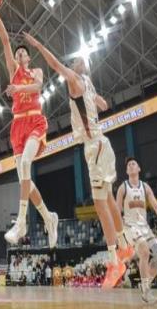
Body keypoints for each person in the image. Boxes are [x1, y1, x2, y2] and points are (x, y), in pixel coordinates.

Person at [24, 33, 133, 289]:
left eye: (76, 62)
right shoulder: (88, 83)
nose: (74, 63)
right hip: (102, 143)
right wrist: (98, 102)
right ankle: (125, 244)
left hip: (94, 146)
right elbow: (102, 103)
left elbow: (54, 64)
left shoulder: (75, 80)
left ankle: (114, 260)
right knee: (108, 198)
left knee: (100, 205)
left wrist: (38, 45)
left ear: (79, 67)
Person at [0, 0, 58, 247]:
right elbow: (5, 40)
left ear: (29, 57)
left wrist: (18, 89)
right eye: (18, 53)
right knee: (25, 179)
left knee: (26, 163)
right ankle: (48, 217)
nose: (20, 53)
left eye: (23, 52)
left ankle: (22, 222)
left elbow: (38, 87)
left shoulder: (36, 71)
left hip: (35, 121)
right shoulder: (13, 71)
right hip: (17, 126)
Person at [116, 157, 157, 304]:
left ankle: (145, 284)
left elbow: (156, 206)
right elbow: (117, 211)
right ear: (127, 171)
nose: (131, 166)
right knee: (144, 251)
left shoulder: (145, 187)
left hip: (144, 227)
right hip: (130, 227)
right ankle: (146, 291)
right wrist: (119, 234)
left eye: (134, 164)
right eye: (129, 165)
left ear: (139, 168)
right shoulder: (123, 187)